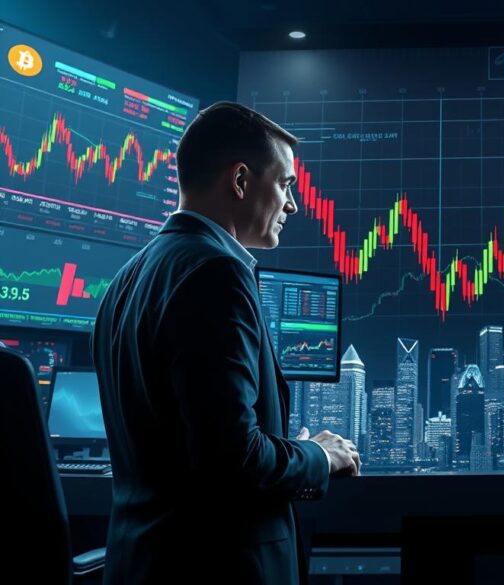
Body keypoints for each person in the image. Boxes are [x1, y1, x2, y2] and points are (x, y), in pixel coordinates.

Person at [91, 102, 360, 584]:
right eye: (286, 185)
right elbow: (232, 461)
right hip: (214, 568)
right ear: (240, 181)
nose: (292, 206)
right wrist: (319, 456)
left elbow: (186, 443)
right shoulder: (217, 272)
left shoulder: (125, 280)